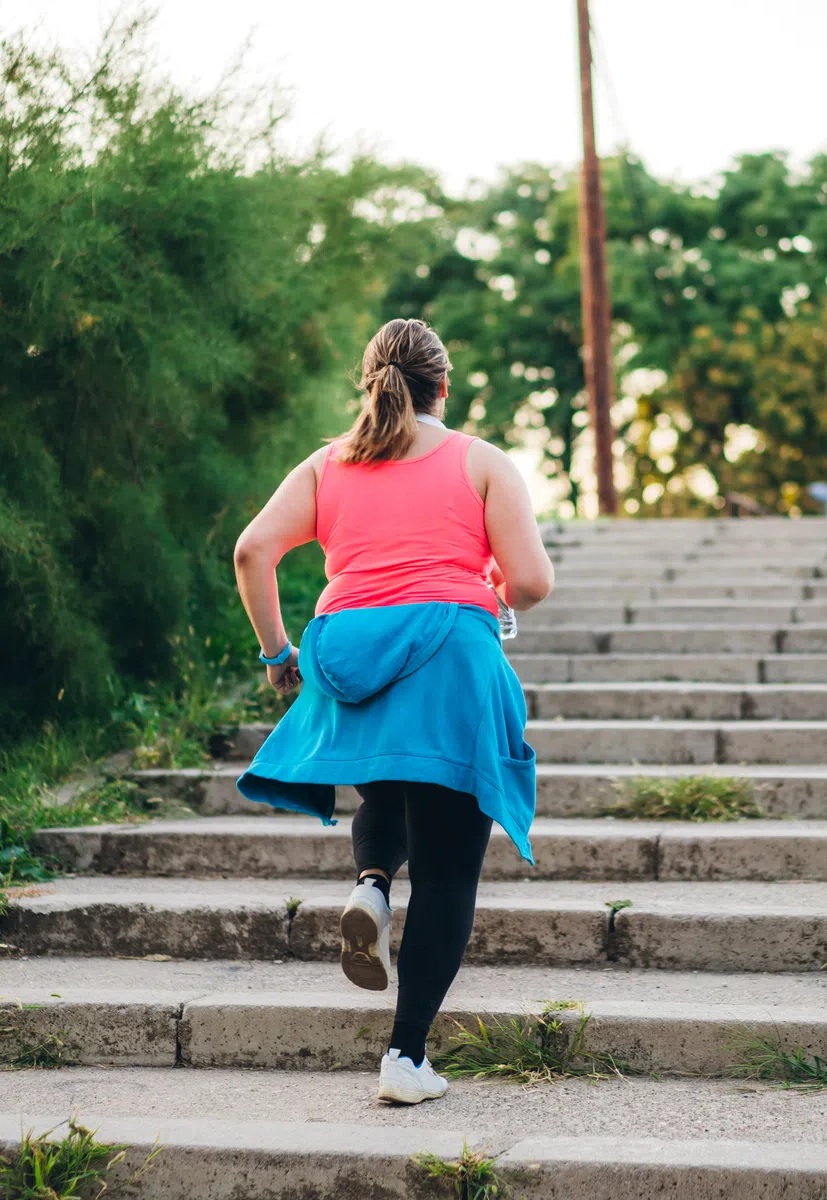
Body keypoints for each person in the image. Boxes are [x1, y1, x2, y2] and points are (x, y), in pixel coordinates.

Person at [230, 317, 555, 1106]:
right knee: (448, 874)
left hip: (349, 652)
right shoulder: (480, 461)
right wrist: (495, 600)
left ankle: (371, 883)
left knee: (383, 792)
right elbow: (533, 579)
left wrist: (279, 655)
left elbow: (251, 551)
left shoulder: (325, 465)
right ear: (444, 387)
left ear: (369, 383)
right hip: (447, 655)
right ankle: (406, 1061)